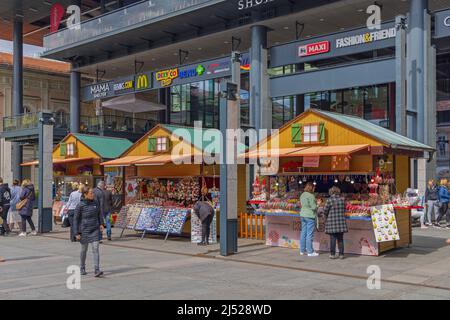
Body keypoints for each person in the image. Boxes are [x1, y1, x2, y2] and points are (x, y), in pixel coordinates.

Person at [73, 187, 105, 277]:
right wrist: (76, 233)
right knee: (84, 249)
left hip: (95, 229)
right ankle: (82, 267)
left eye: (93, 193)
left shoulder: (95, 203)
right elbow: (75, 219)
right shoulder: (80, 205)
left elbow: (99, 214)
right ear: (85, 194)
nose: (93, 194)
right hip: (84, 230)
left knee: (95, 248)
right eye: (91, 193)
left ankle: (96, 269)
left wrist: (101, 224)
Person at [323, 187, 348, 259]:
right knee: (340, 239)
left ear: (331, 192)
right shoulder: (342, 200)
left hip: (332, 222)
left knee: (332, 239)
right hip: (341, 222)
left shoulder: (329, 200)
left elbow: (325, 211)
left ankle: (332, 254)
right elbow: (344, 209)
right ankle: (341, 254)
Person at [300, 182, 319, 257]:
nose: (314, 189)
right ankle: (310, 251)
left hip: (302, 215)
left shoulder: (302, 194)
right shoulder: (311, 196)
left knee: (303, 233)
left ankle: (302, 250)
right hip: (310, 215)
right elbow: (314, 207)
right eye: (314, 187)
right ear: (311, 188)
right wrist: (318, 204)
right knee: (309, 234)